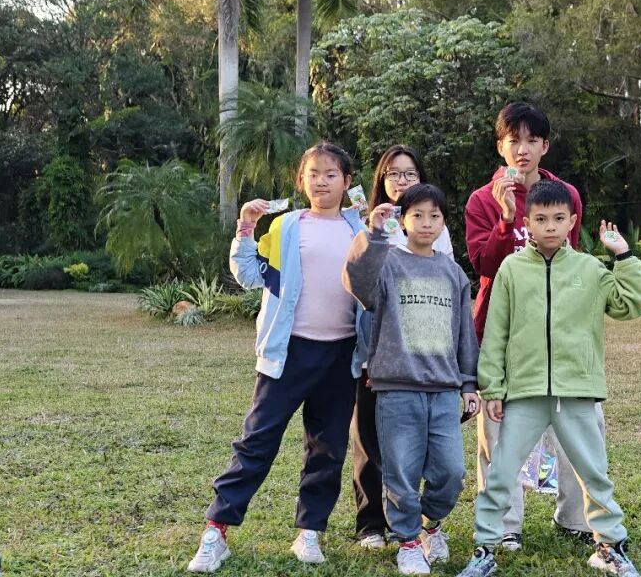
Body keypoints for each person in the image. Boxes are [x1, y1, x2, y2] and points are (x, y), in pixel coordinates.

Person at [187, 142, 370, 573]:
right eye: (313, 174)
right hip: (288, 351)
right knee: (257, 439)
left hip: (341, 354)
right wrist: (246, 227)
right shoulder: (286, 225)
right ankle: (217, 530)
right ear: (301, 181)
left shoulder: (359, 227)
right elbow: (250, 275)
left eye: (331, 174)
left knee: (327, 447)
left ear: (347, 181)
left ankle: (310, 533)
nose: (321, 182)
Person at [455, 180, 641, 577]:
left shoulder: (589, 269)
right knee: (500, 473)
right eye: (541, 219)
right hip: (523, 393)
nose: (550, 227)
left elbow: (630, 304)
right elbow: (496, 332)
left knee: (593, 473)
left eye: (559, 219)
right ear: (527, 223)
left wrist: (624, 255)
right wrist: (493, 387)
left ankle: (610, 547)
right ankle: (485, 548)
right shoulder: (512, 270)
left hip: (576, 391)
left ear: (572, 222)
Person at [463, 102, 598, 549]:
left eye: (531, 140)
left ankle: (576, 518)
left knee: (575, 424)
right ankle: (504, 526)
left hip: (559, 332)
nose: (522, 149)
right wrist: (506, 220)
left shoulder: (565, 195)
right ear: (500, 146)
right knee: (499, 429)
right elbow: (484, 264)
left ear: (545, 146)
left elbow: (571, 262)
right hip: (500, 331)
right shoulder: (482, 200)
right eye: (513, 140)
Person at [344, 183, 480, 575]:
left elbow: (464, 334)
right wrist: (373, 234)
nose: (426, 223)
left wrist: (469, 383)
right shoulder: (388, 262)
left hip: (443, 390)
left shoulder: (453, 273)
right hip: (396, 389)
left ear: (444, 223)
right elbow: (357, 282)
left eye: (434, 216)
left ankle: (429, 524)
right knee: (400, 472)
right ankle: (407, 542)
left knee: (451, 473)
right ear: (403, 221)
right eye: (417, 215)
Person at [352, 145, 456, 550]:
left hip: (425, 359)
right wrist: (374, 232)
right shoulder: (367, 220)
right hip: (376, 350)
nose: (401, 180)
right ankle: (371, 523)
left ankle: (419, 523)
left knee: (420, 448)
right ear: (381, 179)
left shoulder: (433, 226)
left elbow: (445, 290)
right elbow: (360, 285)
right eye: (393, 173)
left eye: (409, 173)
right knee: (370, 440)